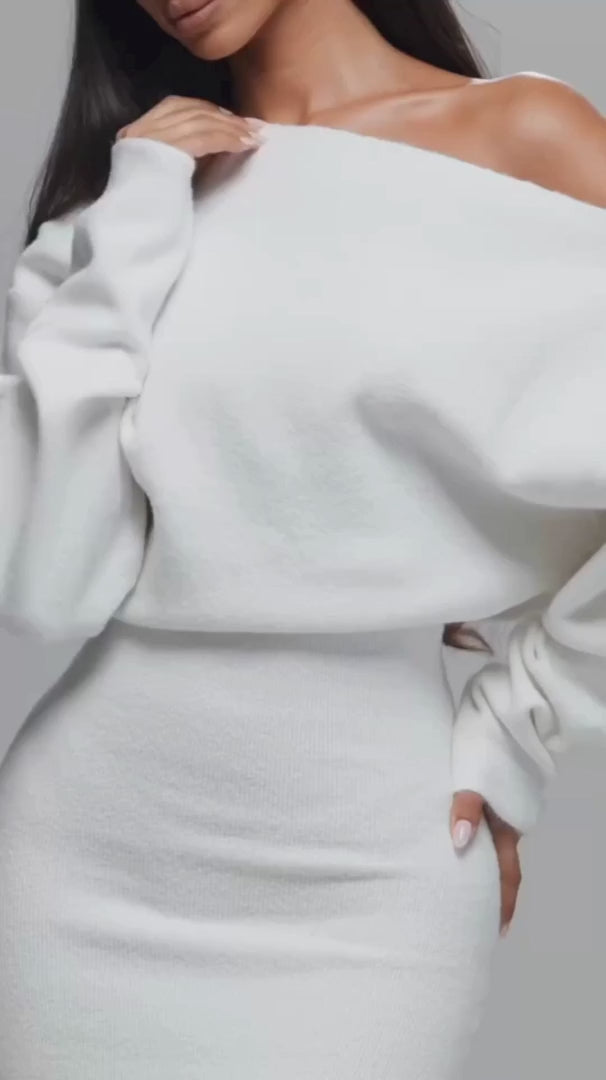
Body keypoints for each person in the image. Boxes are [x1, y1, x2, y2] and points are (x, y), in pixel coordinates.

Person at [1, 0, 606, 1076]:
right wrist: (133, 222)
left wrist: (522, 733)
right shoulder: (121, 206)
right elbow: (48, 584)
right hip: (86, 847)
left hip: (367, 863)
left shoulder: (526, 136)